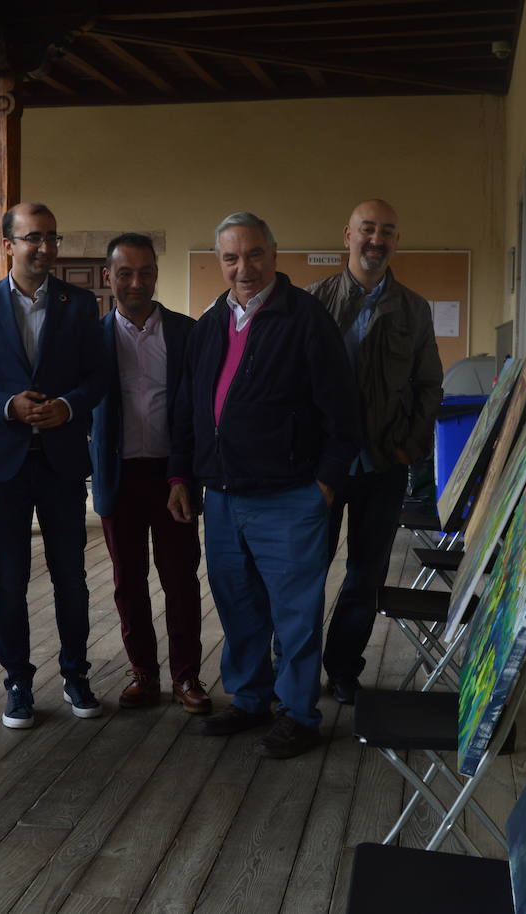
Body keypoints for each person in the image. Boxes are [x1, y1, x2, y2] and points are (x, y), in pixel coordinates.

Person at [168, 212, 359, 759]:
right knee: (237, 604)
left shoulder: (306, 319)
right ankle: (250, 699)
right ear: (220, 262)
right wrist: (181, 474)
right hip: (223, 497)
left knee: (295, 613)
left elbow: (342, 413)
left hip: (290, 496)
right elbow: (188, 409)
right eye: (231, 258)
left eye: (254, 254)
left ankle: (298, 714)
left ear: (274, 255)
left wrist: (324, 484)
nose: (243, 267)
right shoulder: (208, 326)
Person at [0, 201, 107, 729]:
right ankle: (17, 681)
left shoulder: (80, 305)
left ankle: (76, 674)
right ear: (8, 245)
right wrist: (5, 406)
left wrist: (65, 407)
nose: (44, 248)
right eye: (33, 238)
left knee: (72, 576)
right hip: (5, 466)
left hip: (62, 461)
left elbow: (97, 378)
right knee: (8, 579)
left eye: (51, 237)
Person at [306, 200, 443, 704]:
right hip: (322, 466)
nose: (376, 239)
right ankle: (294, 668)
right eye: (368, 229)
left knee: (366, 573)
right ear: (347, 235)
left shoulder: (414, 309)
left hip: (384, 465)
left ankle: (343, 668)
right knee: (307, 569)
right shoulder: (313, 302)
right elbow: (293, 384)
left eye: (387, 231)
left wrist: (409, 447)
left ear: (396, 241)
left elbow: (429, 385)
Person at [89, 233, 209, 713]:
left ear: (156, 276)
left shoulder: (186, 333)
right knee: (127, 580)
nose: (135, 282)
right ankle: (143, 673)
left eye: (145, 273)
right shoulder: (91, 338)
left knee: (181, 579)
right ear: (108, 277)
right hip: (119, 476)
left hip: (172, 476)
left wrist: (184, 475)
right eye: (125, 273)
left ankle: (187, 676)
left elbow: (198, 410)